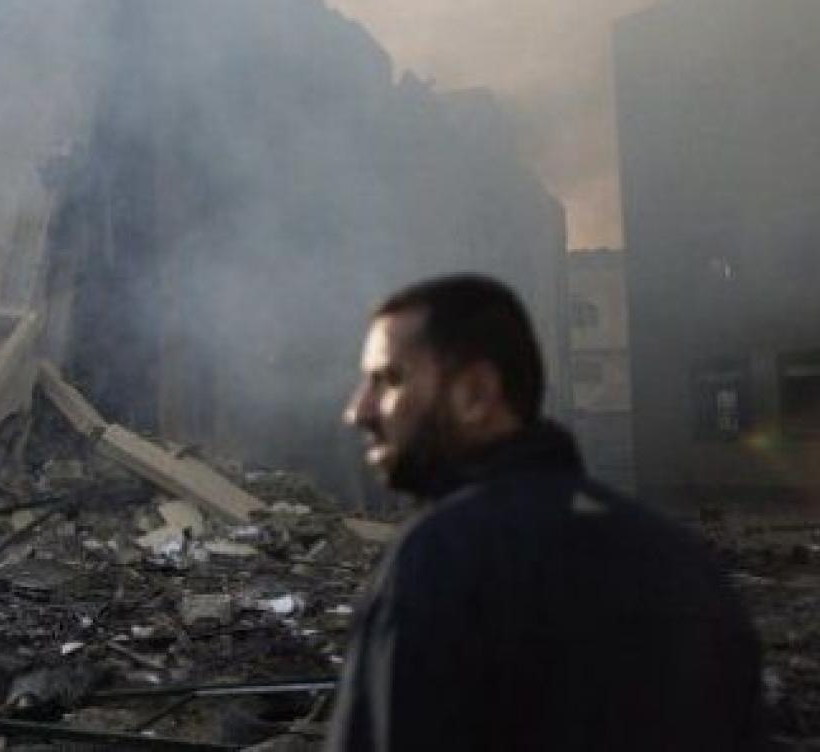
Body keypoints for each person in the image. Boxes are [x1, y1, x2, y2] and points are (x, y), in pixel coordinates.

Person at [326, 274, 763, 751]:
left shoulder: (439, 559)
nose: (359, 410)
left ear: (475, 393)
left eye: (389, 379)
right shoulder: (684, 561)